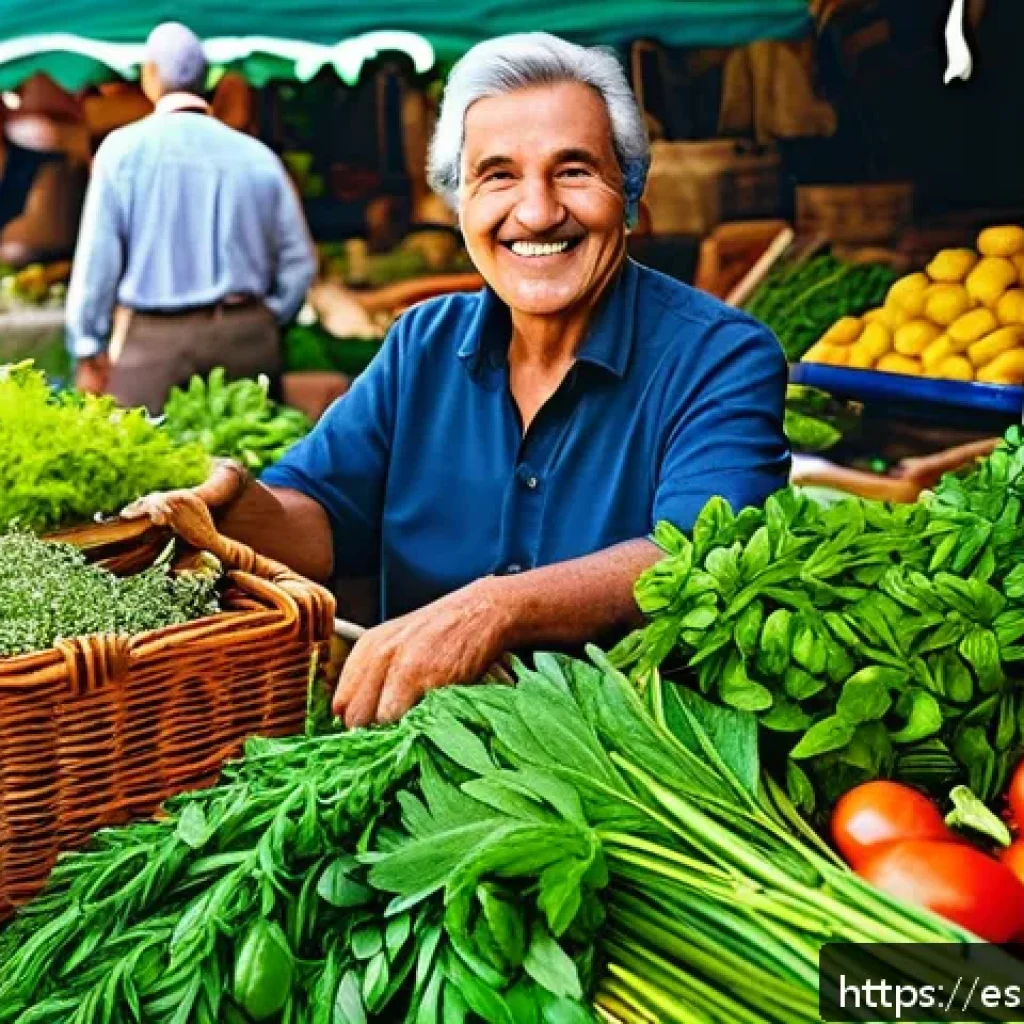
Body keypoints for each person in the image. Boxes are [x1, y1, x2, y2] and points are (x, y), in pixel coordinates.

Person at [124, 32, 790, 726]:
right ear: (459, 204)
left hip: (631, 756)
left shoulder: (720, 356)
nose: (536, 212)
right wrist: (225, 499)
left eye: (573, 171)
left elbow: (697, 557)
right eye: (498, 176)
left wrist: (495, 609)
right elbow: (317, 519)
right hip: (418, 748)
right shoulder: (423, 343)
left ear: (627, 191)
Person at [66, 22, 316, 412]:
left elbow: (98, 262)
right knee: (247, 446)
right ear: (205, 79)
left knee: (145, 447)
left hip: (154, 343)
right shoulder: (258, 158)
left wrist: (88, 346)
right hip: (245, 337)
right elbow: (299, 261)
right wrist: (268, 317)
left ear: (150, 75)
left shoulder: (121, 153)